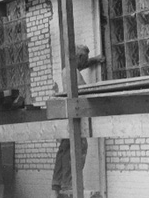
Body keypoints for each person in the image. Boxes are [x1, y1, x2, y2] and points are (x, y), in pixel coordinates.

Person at [51, 45, 105, 198]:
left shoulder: (68, 69)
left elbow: (81, 66)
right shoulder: (71, 72)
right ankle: (69, 185)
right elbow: (83, 90)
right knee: (78, 146)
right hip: (74, 115)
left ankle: (57, 183)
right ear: (79, 58)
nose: (85, 64)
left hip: (67, 116)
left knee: (64, 149)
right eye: (84, 60)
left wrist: (94, 59)